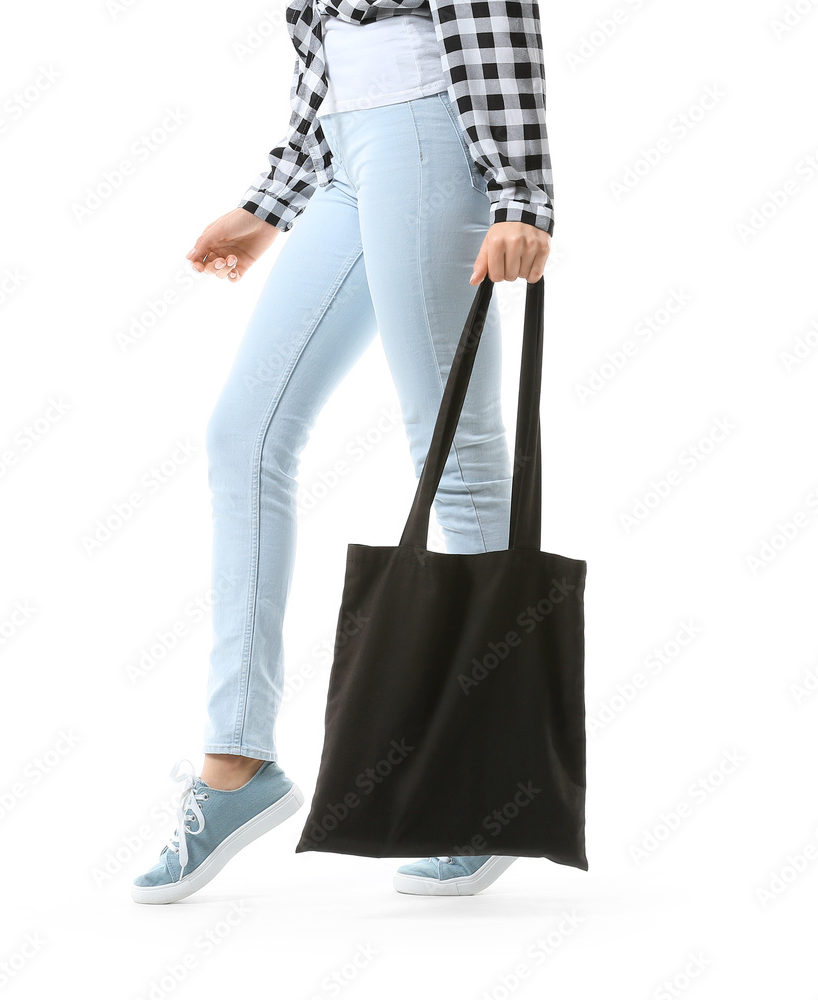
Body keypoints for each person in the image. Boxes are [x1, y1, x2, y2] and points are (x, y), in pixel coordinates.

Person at [131, 0, 554, 904]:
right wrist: (268, 204)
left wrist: (519, 193)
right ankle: (236, 764)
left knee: (453, 450)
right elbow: (324, 57)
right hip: (348, 160)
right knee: (243, 434)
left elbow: (494, 15)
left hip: (435, 130)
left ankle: (491, 787)